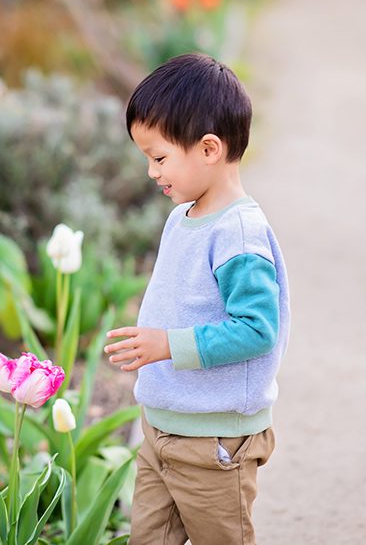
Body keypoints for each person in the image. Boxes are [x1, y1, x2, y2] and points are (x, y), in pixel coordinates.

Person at [103, 52, 291, 545]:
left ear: (209, 148)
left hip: (215, 442)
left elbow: (256, 329)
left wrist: (168, 345)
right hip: (161, 433)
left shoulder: (239, 235)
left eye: (158, 157)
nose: (150, 171)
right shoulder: (182, 216)